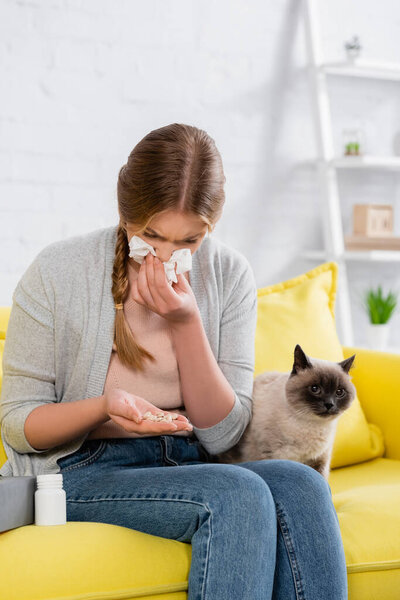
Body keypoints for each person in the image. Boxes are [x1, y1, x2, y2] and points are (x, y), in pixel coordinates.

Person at [0, 123, 348, 599]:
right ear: (126, 215)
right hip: (81, 470)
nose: (166, 256)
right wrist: (103, 406)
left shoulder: (228, 274)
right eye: (153, 236)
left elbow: (223, 434)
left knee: (303, 486)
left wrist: (187, 325)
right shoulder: (59, 271)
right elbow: (19, 425)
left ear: (211, 227)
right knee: (238, 496)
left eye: (189, 242)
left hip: (189, 460)